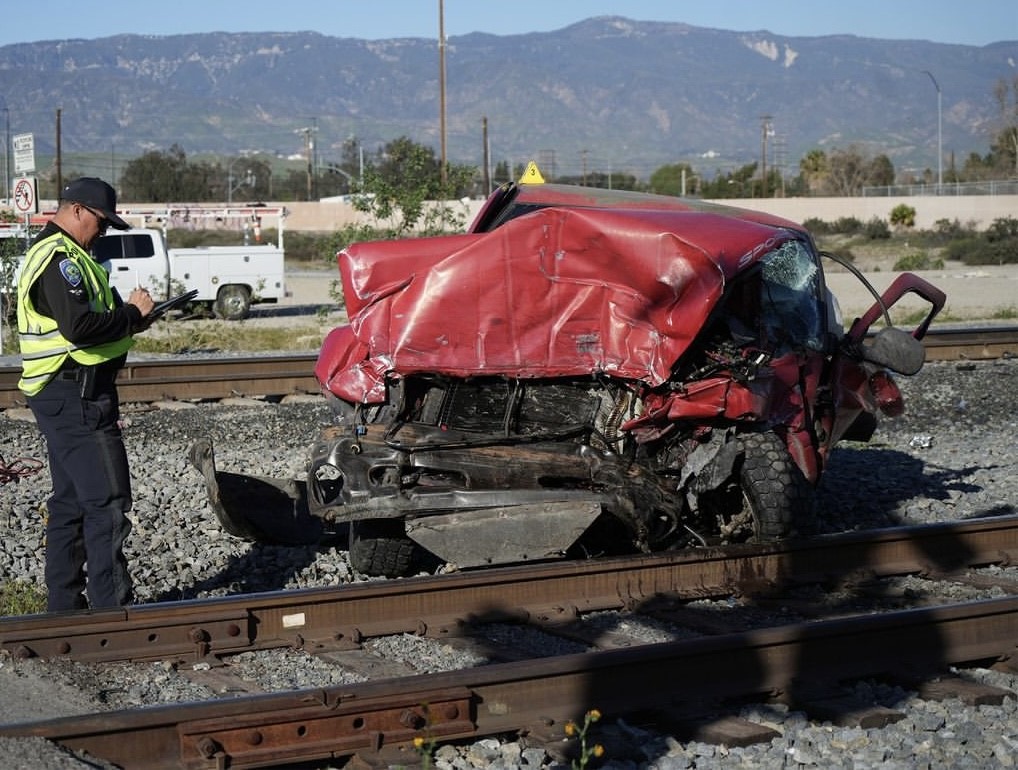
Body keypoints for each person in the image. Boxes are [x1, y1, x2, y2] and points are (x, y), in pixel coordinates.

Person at [16, 177, 155, 611]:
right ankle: (110, 613)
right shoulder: (61, 259)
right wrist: (131, 313)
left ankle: (65, 610)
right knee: (107, 502)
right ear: (76, 210)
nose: (105, 231)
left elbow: (90, 324)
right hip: (75, 397)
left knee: (71, 503)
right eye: (101, 222)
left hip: (65, 394)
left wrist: (133, 319)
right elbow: (79, 328)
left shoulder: (69, 255)